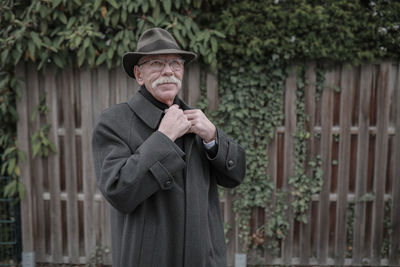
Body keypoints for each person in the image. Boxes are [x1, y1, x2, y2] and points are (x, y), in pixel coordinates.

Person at [92, 27, 246, 267]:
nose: (168, 71)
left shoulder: (197, 122)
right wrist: (164, 138)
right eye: (156, 63)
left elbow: (235, 176)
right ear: (139, 74)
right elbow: (118, 191)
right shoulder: (114, 122)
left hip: (204, 258)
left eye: (175, 63)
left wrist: (213, 137)